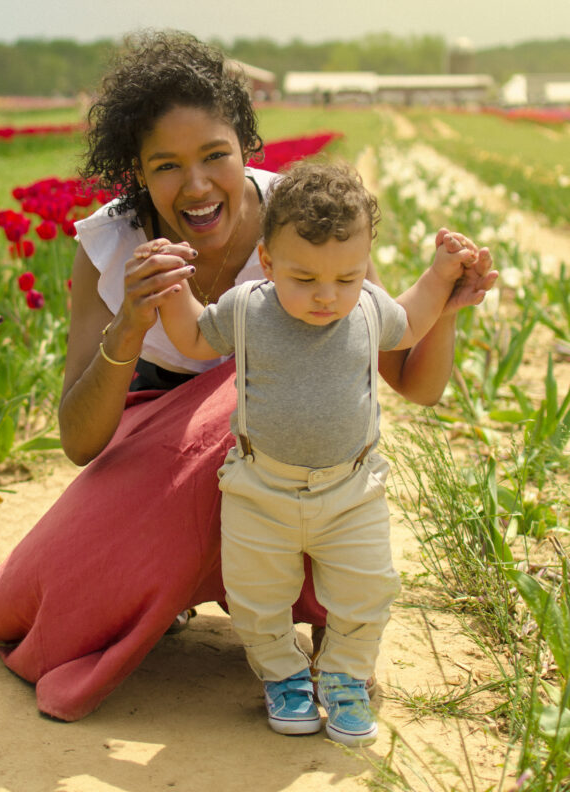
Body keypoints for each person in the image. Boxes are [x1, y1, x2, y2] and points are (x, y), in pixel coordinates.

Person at [0, 31, 498, 723]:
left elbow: (409, 378)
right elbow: (79, 441)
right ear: (136, 174)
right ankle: (165, 575)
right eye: (167, 166)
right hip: (153, 447)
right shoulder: (111, 249)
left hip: (282, 452)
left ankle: (309, 636)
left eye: (216, 155)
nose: (199, 183)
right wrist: (129, 324)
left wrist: (443, 307)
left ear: (245, 148)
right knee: (38, 597)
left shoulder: (296, 226)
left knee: (260, 397)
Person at [156, 160, 490, 744]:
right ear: (267, 261)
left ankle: (345, 679)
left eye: (347, 277)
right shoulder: (247, 307)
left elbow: (409, 322)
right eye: (304, 278)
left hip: (351, 490)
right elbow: (189, 337)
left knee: (368, 592)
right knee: (257, 600)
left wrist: (441, 276)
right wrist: (171, 284)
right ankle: (283, 677)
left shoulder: (367, 309)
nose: (326, 296)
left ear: (365, 267)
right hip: (260, 489)